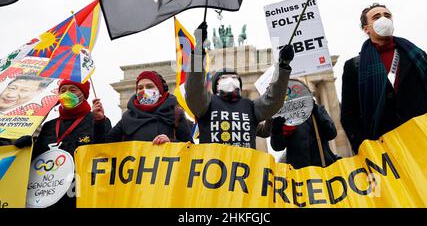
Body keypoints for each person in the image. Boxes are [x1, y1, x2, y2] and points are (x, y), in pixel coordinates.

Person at [340, 3, 427, 153]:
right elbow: (349, 115)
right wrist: (365, 148)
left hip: (426, 137)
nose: (384, 19)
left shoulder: (417, 54)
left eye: (387, 15)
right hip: (385, 146)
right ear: (366, 28)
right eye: (376, 17)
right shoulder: (354, 66)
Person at [185, 21, 294, 149]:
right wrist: (198, 50)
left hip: (244, 167)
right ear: (216, 85)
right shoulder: (206, 105)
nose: (230, 80)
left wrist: (283, 66)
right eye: (224, 78)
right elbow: (194, 89)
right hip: (213, 167)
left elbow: (273, 100)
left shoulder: (250, 106)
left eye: (235, 78)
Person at [29, 79, 112, 208]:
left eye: (73, 90)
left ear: (83, 95)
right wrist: (27, 144)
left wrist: (99, 122)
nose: (67, 93)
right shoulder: (49, 126)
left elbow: (105, 153)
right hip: (48, 194)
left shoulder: (96, 120)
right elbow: (35, 159)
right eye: (63, 90)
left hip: (80, 194)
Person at [95, 71, 193, 144]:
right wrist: (99, 121)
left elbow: (189, 147)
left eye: (149, 87)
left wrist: (171, 142)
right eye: (140, 88)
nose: (144, 91)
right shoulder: (128, 117)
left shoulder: (175, 114)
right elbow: (104, 145)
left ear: (160, 91)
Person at [270, 102, 339, 169]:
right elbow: (277, 147)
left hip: (323, 167)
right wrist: (276, 128)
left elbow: (331, 133)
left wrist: (316, 112)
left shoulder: (318, 109)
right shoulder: (284, 115)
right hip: (299, 172)